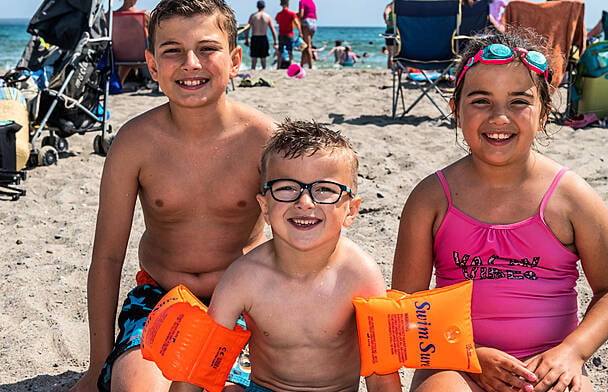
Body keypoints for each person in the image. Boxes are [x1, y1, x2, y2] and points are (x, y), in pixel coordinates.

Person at [391, 30, 608, 392]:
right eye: (481, 101)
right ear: (455, 110)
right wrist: (469, 358)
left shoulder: (573, 198)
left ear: (544, 112)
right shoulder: (431, 199)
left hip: (547, 365)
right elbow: (406, 308)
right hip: (456, 365)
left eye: (519, 101)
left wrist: (572, 352)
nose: (499, 117)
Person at [70, 0, 276, 391]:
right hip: (161, 299)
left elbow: (304, 238)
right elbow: (108, 255)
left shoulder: (264, 141)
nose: (191, 63)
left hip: (246, 299)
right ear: (152, 65)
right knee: (134, 386)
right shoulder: (134, 143)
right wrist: (98, 363)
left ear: (235, 59)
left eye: (207, 49)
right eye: (172, 51)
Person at [170, 120, 401, 392]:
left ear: (350, 210)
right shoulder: (244, 276)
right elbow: (197, 366)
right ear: (265, 207)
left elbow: (381, 376)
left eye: (325, 189)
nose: (304, 202)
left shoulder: (359, 274)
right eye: (287, 188)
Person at [113, 0, 151, 86]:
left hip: (119, 55)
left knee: (127, 49)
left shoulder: (110, 16)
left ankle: (119, 84)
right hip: (141, 55)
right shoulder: (144, 15)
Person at [244, 0, 278, 70]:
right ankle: (264, 70)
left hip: (255, 38)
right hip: (263, 38)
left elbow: (247, 29)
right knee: (263, 59)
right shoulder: (267, 16)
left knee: (254, 59)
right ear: (264, 7)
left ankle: (253, 70)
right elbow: (273, 30)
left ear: (257, 6)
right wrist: (275, 42)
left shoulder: (253, 16)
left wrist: (246, 39)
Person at [275, 0, 302, 69]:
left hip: (281, 34)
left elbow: (277, 21)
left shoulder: (279, 14)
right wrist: (300, 32)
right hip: (289, 34)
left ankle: (278, 67)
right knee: (290, 52)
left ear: (281, 4)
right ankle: (291, 66)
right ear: (288, 4)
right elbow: (297, 23)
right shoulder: (292, 14)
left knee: (280, 52)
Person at [298, 0, 317, 69]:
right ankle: (301, 66)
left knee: (308, 46)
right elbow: (315, 15)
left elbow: (301, 15)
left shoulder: (302, 2)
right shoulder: (312, 2)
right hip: (313, 23)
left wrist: (295, 15)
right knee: (305, 45)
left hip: (306, 22)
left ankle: (310, 67)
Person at [383, 2, 396, 69]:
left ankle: (390, 69)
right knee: (398, 53)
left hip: (391, 30)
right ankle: (398, 69)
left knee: (391, 53)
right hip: (400, 30)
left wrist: (387, 21)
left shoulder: (391, 5)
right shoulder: (404, 6)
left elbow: (385, 13)